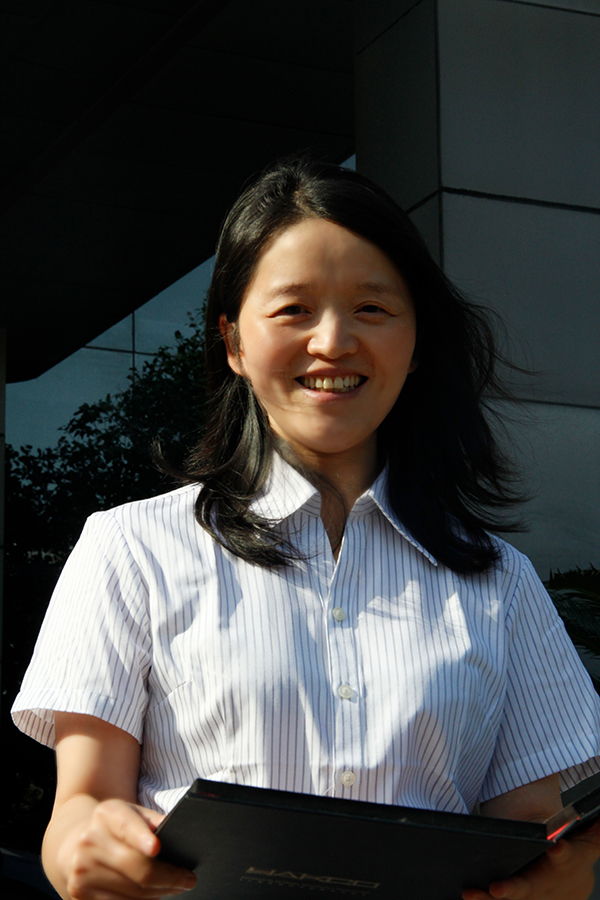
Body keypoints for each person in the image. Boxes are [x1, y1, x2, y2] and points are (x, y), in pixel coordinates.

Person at [12, 157, 600, 900]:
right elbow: (82, 810)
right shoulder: (130, 551)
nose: (333, 342)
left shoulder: (500, 581)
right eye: (294, 309)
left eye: (372, 308)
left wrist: (562, 877)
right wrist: (86, 849)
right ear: (233, 342)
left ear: (417, 342)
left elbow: (533, 836)